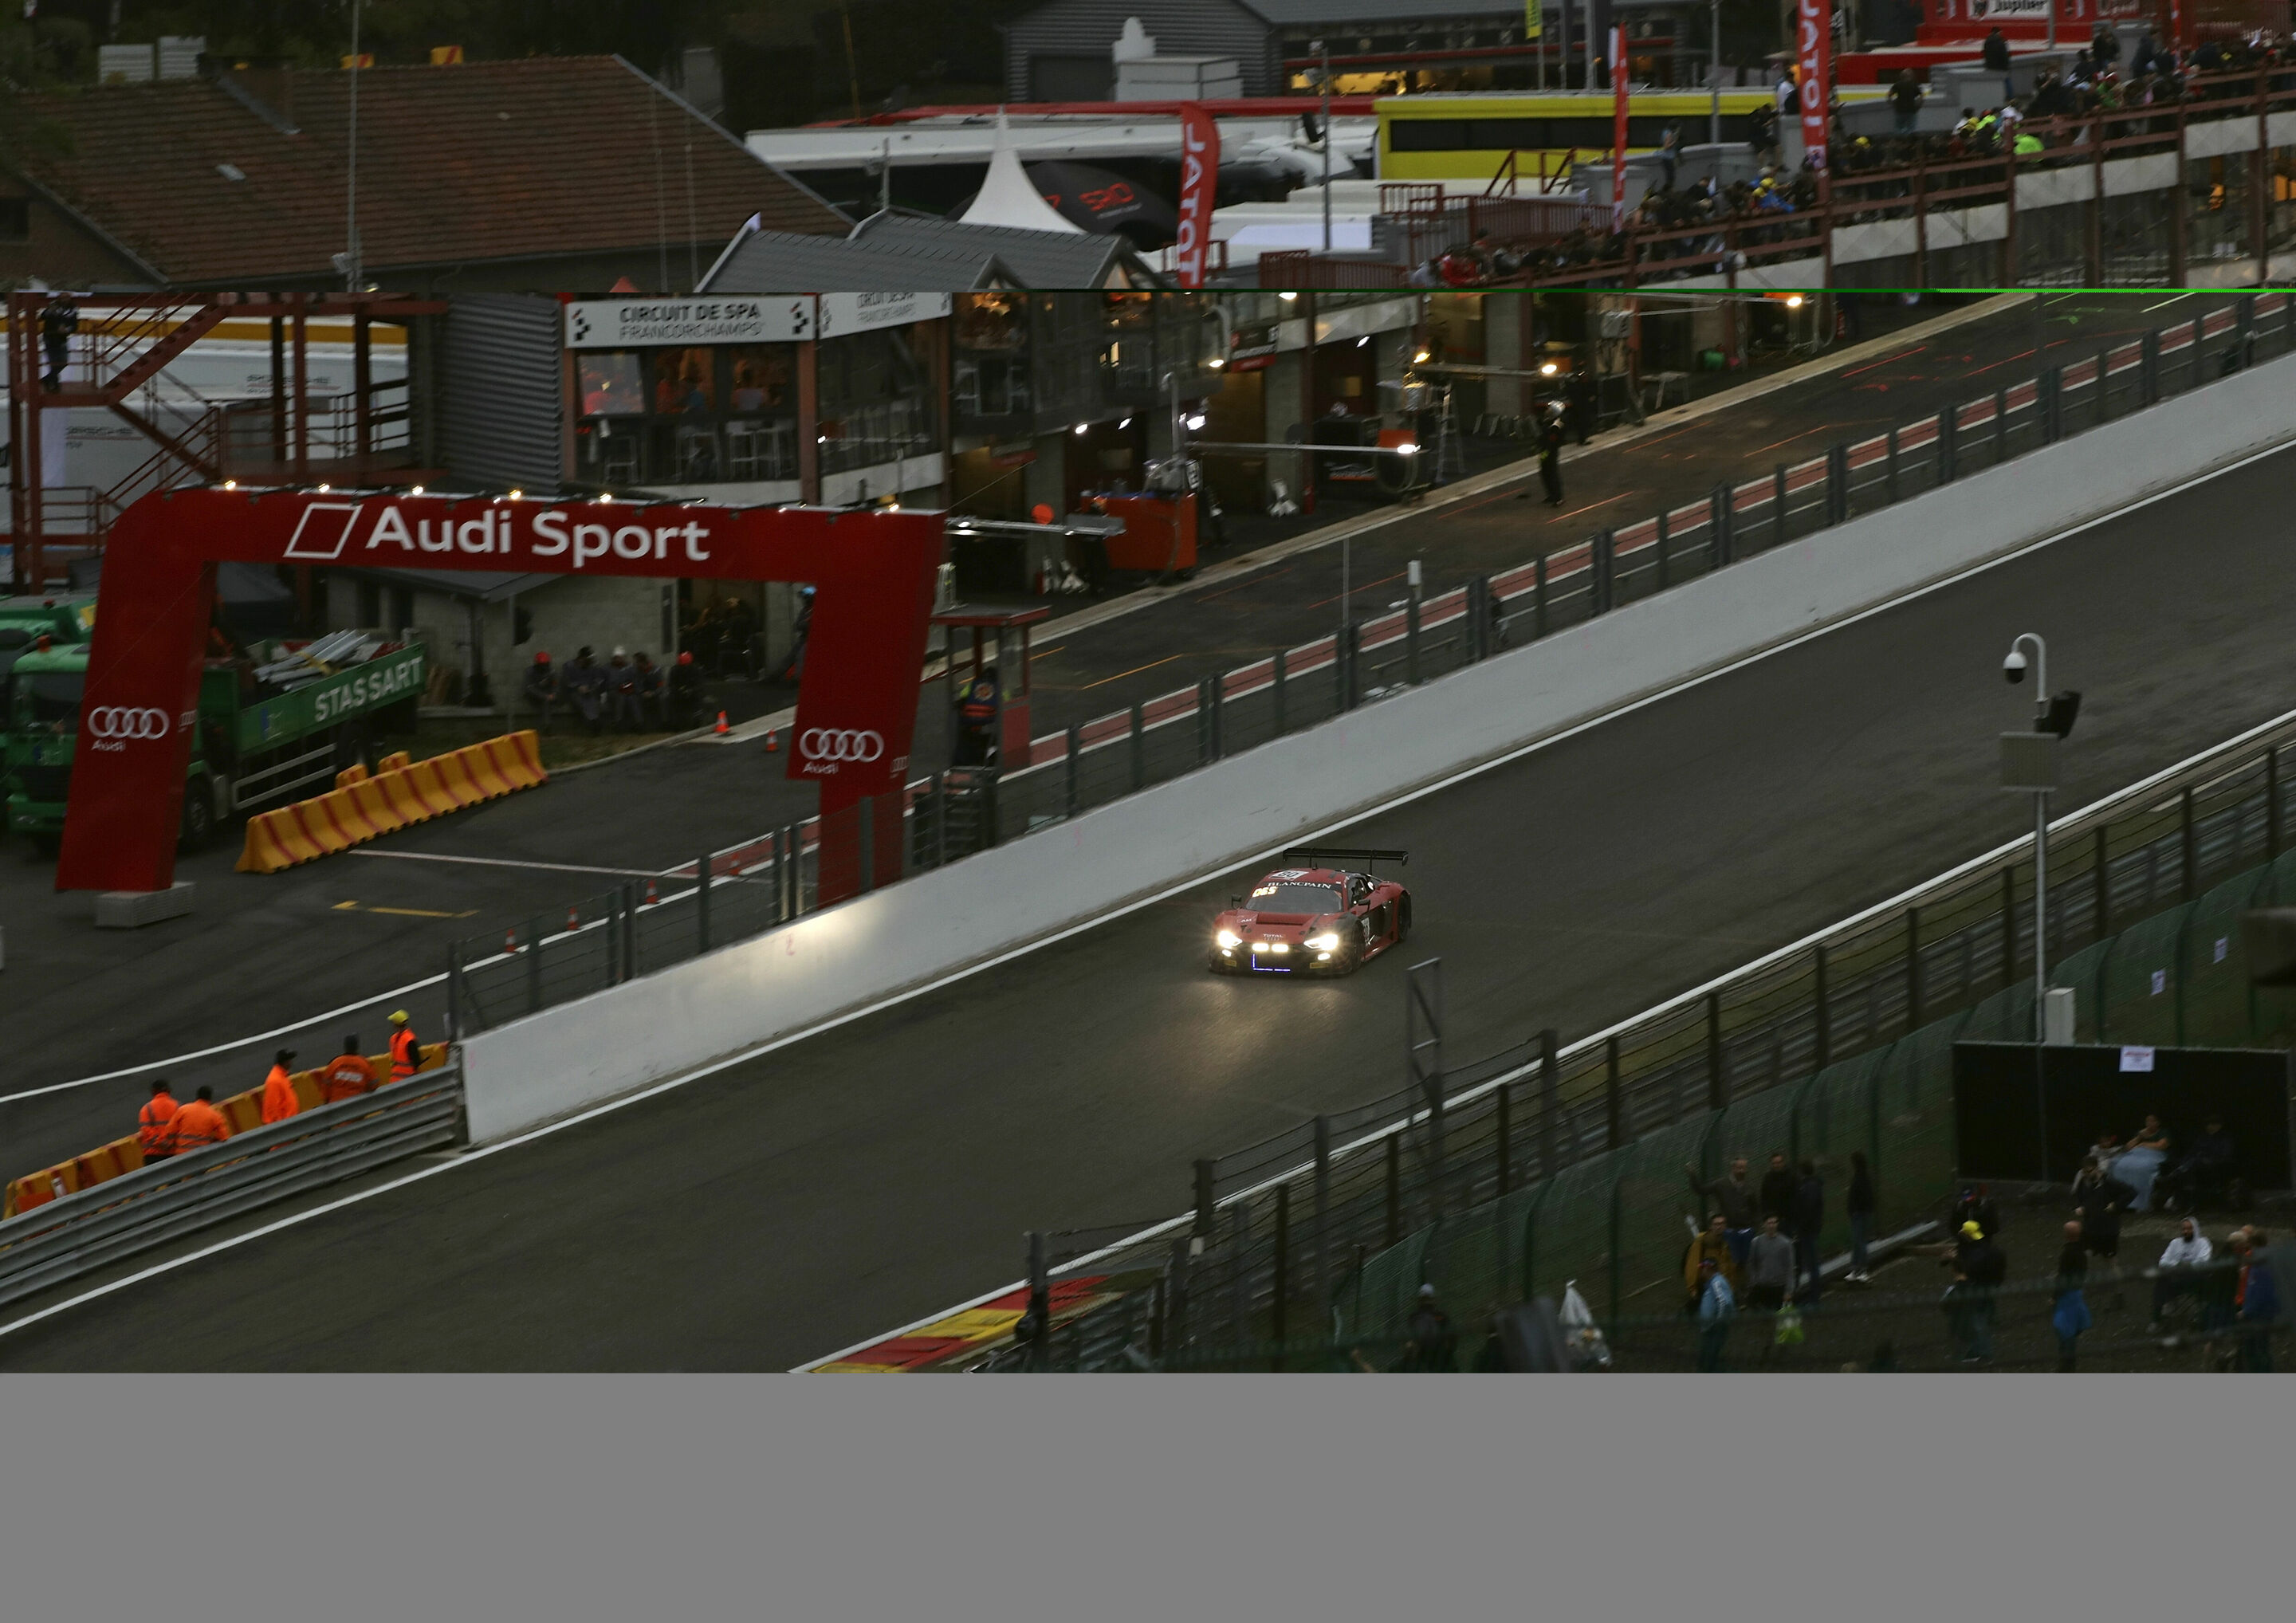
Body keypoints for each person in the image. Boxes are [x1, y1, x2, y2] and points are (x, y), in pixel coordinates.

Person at [1687, 1155, 1761, 1267]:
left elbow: (1755, 1209)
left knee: (1745, 1262)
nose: (1742, 1171)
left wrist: (1754, 1228)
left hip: (1745, 1230)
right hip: (1728, 1230)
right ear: (1733, 1168)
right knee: (1729, 1261)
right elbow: (1701, 1190)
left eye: (1744, 1168)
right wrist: (1692, 1175)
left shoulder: (1749, 1188)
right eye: (1739, 1168)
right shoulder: (1722, 1184)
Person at [2160, 1115, 2235, 1212]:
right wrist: (2182, 1162)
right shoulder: (2203, 1137)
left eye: (2213, 1124)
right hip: (2196, 1165)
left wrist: (2208, 1159)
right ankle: (2180, 1197)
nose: (2210, 1127)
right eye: (2208, 1124)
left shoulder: (2225, 1139)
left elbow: (2225, 1156)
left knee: (2194, 1162)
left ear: (2219, 1126)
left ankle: (2174, 1176)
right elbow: (2191, 1152)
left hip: (2214, 1166)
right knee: (2187, 1164)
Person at [2150, 1216, 2213, 1330]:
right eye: (2184, 1229)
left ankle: (2200, 1315)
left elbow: (2203, 1261)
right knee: (2161, 1280)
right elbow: (2163, 1262)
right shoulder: (2175, 1243)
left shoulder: (2203, 1243)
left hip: (2195, 1278)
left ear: (2195, 1229)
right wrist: (2178, 1265)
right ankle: (2157, 1319)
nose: (2186, 1231)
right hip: (2176, 1277)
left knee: (2205, 1279)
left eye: (2189, 1229)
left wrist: (2186, 1266)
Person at [2235, 1231, 2280, 1371]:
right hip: (2264, 1313)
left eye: (2251, 1246)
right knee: (2259, 1347)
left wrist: (2246, 1311)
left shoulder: (2262, 1265)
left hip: (2259, 1315)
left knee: (2259, 1348)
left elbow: (2260, 1293)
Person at [2052, 1220, 2093, 1370]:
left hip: (2067, 1294)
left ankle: (2067, 1365)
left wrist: (2054, 1296)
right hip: (2077, 1292)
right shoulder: (2081, 1252)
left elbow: (2063, 1276)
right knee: (2074, 1325)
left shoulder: (2067, 1253)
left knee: (2064, 1329)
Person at [1684, 1212, 1741, 1306]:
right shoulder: (1702, 1241)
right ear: (1711, 1226)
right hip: (1708, 1288)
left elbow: (1732, 1266)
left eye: (1722, 1224)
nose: (1719, 1227)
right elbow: (1692, 1266)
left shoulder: (1729, 1243)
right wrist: (1693, 1289)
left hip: (1726, 1288)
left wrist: (1733, 1287)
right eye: (1716, 1224)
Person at [2116, 1114, 2170, 1211]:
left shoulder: (2163, 1132)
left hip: (2155, 1157)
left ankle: (2144, 1202)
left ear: (2158, 1123)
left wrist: (2143, 1144)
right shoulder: (2142, 1133)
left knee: (2141, 1169)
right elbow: (2128, 1147)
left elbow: (2161, 1145)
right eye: (2147, 1121)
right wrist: (2139, 1137)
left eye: (2152, 1121)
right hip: (2137, 1157)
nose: (2149, 1123)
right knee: (2120, 1166)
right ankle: (2125, 1201)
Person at [1401, 1283, 1457, 1371]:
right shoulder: (1414, 1318)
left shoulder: (1441, 1317)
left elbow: (1450, 1339)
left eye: (1428, 1299)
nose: (1426, 1302)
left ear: (1434, 1300)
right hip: (1421, 1357)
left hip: (1438, 1357)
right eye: (1424, 1299)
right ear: (1419, 1301)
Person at [1745, 1215, 1795, 1312]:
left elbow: (1790, 1267)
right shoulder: (1757, 1242)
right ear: (1764, 1225)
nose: (1772, 1226)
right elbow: (1751, 1263)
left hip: (1779, 1286)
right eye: (1769, 1223)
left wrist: (1788, 1291)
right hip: (1762, 1286)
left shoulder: (1785, 1243)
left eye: (1774, 1223)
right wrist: (1754, 1280)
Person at [1791, 1159, 1825, 1302]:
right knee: (1810, 1262)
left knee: (1811, 1263)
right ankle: (1813, 1294)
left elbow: (1808, 1209)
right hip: (1810, 1228)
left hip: (1808, 1230)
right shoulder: (1812, 1185)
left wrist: (1801, 1227)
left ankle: (1815, 1296)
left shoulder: (1809, 1187)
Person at [1695, 1256, 1736, 1371]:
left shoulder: (1717, 1282)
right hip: (1710, 1329)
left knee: (1709, 1362)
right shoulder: (1712, 1283)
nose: (1701, 1271)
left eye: (1702, 1268)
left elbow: (1724, 1303)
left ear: (1708, 1268)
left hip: (1715, 1329)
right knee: (1706, 1360)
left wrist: (1718, 1322)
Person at [954, 666, 1001, 766]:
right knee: (998, 735)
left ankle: (961, 759)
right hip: (988, 721)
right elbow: (1006, 700)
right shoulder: (998, 686)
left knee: (964, 736)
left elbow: (963, 695)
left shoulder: (974, 684)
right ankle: (991, 755)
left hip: (970, 720)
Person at [1846, 1150, 1877, 1283]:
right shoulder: (1863, 1176)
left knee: (1859, 1241)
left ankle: (1862, 1269)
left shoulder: (1860, 1178)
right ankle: (1856, 1269)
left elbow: (1861, 1196)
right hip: (1861, 1213)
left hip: (1860, 1214)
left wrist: (1855, 1209)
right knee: (1858, 1241)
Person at [171, 1085, 232, 1153]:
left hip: (182, 1154)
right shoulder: (215, 1115)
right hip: (201, 1154)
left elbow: (171, 1130)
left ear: (198, 1096)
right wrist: (212, 1139)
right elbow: (224, 1137)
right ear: (210, 1097)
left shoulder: (183, 1109)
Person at [321, 1036, 379, 1105]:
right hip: (357, 1105)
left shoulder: (335, 1063)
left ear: (345, 1047)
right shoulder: (364, 1063)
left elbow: (326, 1086)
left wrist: (326, 1102)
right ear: (357, 1047)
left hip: (336, 1105)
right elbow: (374, 1084)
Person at [561, 647, 605, 735]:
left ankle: (595, 721)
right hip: (575, 692)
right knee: (581, 703)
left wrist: (591, 687)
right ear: (582, 658)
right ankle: (591, 724)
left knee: (593, 702)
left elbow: (598, 679)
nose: (590, 661)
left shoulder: (593, 666)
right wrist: (578, 687)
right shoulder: (569, 666)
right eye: (588, 659)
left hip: (589, 691)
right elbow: (566, 681)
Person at [38, 295, 77, 390]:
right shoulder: (53, 307)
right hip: (50, 337)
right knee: (54, 362)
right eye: (63, 297)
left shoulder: (72, 310)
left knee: (63, 362)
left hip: (62, 338)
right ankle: (54, 384)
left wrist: (67, 329)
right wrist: (50, 311)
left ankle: (47, 380)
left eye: (66, 297)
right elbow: (42, 317)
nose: (65, 299)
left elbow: (74, 325)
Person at [137, 1078, 181, 1161]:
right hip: (173, 1152)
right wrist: (169, 1143)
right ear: (168, 1091)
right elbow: (181, 1128)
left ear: (153, 1091)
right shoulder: (178, 1106)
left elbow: (146, 1130)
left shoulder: (147, 1108)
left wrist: (160, 1143)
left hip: (153, 1154)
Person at [1535, 400, 1566, 506]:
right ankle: (1551, 495)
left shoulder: (1556, 426)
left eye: (1549, 409)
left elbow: (1551, 441)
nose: (1547, 411)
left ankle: (1558, 497)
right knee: (1544, 473)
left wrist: (1544, 452)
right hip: (1545, 451)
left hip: (1550, 452)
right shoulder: (1547, 421)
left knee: (1552, 474)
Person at [1759, 1150, 1798, 1233]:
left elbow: (1796, 1197)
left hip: (1789, 1219)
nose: (1777, 1165)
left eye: (1779, 1162)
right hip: (1772, 1219)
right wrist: (1766, 1216)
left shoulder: (1791, 1176)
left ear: (1783, 1163)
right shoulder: (1768, 1178)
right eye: (1774, 1163)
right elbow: (1764, 1198)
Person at [665, 650, 705, 729]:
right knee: (670, 699)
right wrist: (678, 690)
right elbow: (671, 683)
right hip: (678, 692)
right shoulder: (675, 670)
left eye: (685, 666)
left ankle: (696, 722)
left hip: (693, 692)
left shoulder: (696, 669)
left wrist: (691, 690)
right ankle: (673, 724)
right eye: (682, 666)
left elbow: (700, 684)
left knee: (697, 698)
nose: (683, 668)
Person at [261, 1049, 301, 1124]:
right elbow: (272, 1107)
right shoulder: (274, 1080)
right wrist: (280, 1126)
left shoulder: (282, 1077)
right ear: (284, 1063)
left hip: (290, 1121)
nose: (291, 1063)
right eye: (289, 1060)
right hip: (285, 1124)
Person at [387, 1012, 420, 1083]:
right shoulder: (408, 1039)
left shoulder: (396, 1039)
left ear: (395, 1024)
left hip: (404, 1080)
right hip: (403, 1080)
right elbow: (417, 1061)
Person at [1889, 69, 1923, 136]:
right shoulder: (1915, 85)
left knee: (1899, 128)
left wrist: (1893, 103)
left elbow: (1889, 95)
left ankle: (1900, 142)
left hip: (1900, 110)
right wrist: (1918, 105)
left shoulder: (1897, 85)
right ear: (1911, 76)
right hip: (1911, 110)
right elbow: (1921, 96)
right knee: (1911, 128)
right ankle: (1909, 142)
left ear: (1901, 76)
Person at [1983, 26, 2013, 98]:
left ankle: (1993, 97)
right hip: (2002, 66)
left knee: (1992, 83)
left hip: (1990, 66)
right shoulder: (2003, 41)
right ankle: (2011, 98)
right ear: (1999, 32)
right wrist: (2006, 66)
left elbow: (1985, 54)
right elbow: (2006, 55)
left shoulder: (1987, 42)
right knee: (2007, 81)